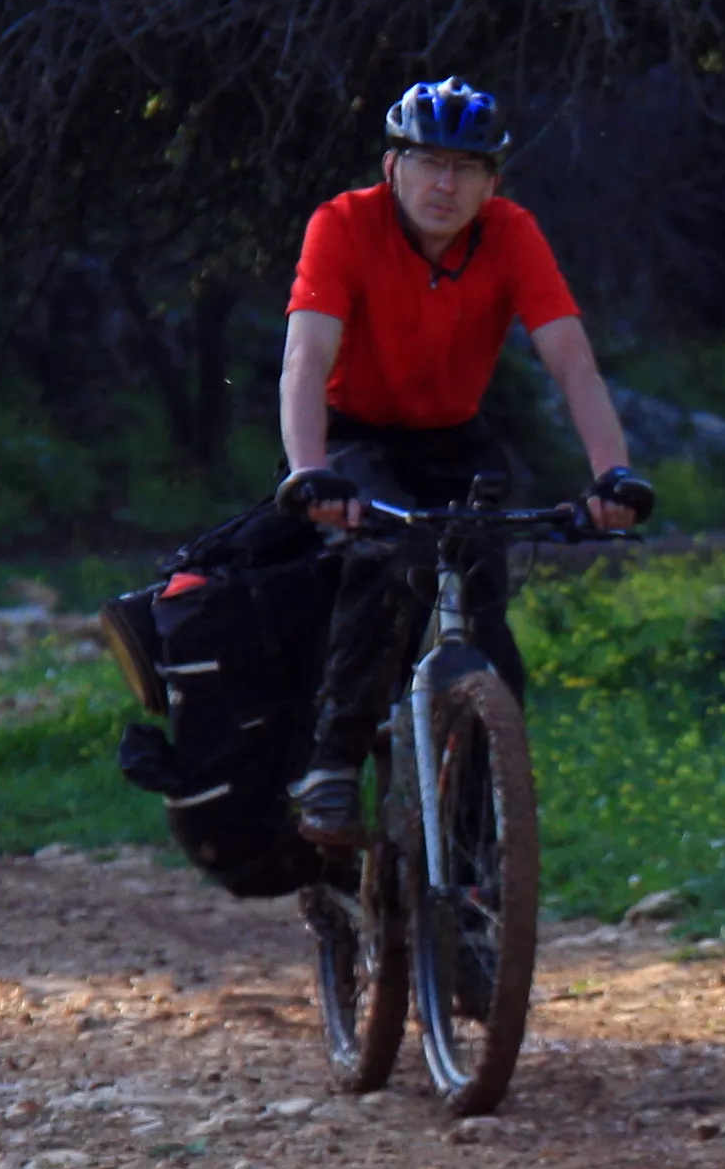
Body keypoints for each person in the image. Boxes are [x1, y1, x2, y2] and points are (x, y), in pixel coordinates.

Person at [275, 78, 655, 846]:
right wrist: (310, 472)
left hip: (454, 437)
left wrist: (611, 474)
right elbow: (306, 361)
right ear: (394, 167)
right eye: (429, 163)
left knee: (488, 628)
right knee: (386, 563)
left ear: (492, 183)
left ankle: (481, 848)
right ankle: (334, 762)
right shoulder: (343, 225)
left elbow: (573, 363)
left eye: (466, 168)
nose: (445, 184)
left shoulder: (512, 234)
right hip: (356, 434)